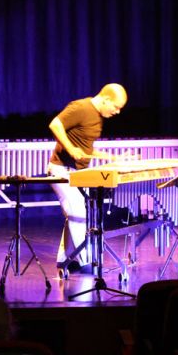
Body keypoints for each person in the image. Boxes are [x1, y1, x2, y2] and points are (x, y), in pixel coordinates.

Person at [46, 83, 128, 272]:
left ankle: (66, 259)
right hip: (61, 171)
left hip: (77, 174)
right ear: (106, 99)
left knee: (76, 214)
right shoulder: (81, 107)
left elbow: (87, 149)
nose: (117, 112)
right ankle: (87, 262)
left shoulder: (98, 118)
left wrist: (113, 158)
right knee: (80, 214)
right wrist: (70, 148)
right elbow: (55, 124)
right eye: (116, 107)